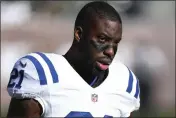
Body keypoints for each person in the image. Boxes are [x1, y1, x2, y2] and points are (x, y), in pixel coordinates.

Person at [6, 1, 140, 117]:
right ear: (79, 34)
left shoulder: (124, 81)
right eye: (102, 39)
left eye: (116, 42)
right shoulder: (43, 73)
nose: (110, 51)